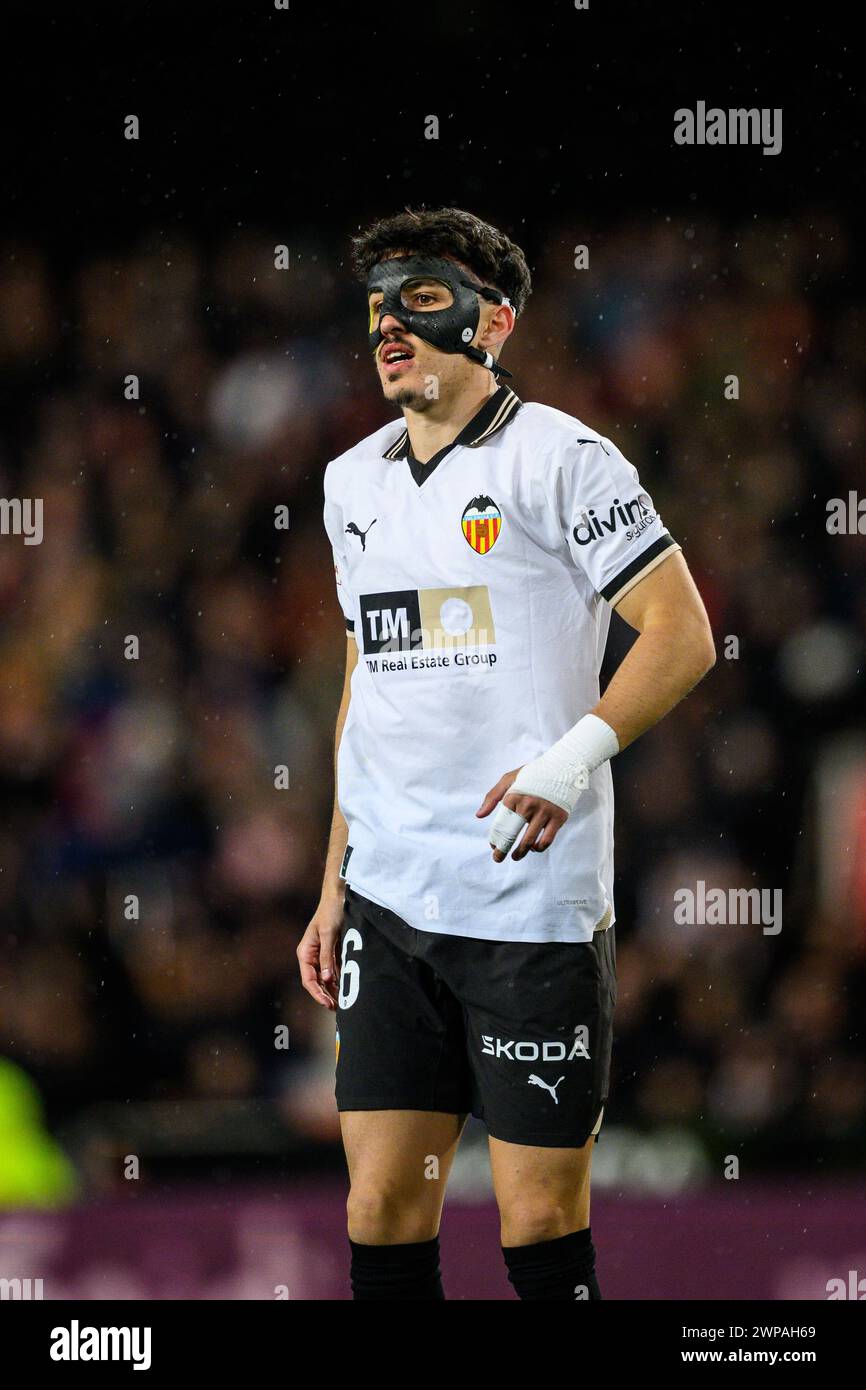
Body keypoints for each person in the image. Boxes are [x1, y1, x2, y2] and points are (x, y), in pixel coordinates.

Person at [297, 207, 716, 1300]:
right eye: (377, 304)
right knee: (381, 1208)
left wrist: (568, 760)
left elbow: (681, 633)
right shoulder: (351, 485)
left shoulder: (564, 459)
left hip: (527, 906)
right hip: (389, 899)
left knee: (536, 1218)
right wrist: (335, 877)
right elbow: (365, 683)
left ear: (495, 320)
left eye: (420, 298)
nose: (389, 325)